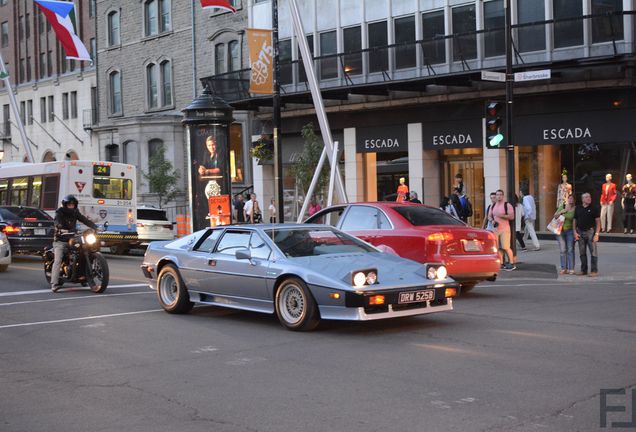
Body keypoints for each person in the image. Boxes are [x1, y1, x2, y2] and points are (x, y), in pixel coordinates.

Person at [51, 195, 98, 292]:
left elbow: (84, 219)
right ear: (65, 205)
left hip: (72, 238)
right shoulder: (59, 212)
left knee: (84, 251)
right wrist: (59, 226)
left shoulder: (75, 212)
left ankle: (82, 276)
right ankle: (54, 283)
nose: (71, 206)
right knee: (58, 259)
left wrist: (94, 226)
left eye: (73, 205)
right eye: (69, 205)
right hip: (61, 240)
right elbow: (57, 221)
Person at [573, 192, 601, 276]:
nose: (589, 198)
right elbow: (574, 220)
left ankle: (594, 271)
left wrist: (597, 234)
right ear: (582, 199)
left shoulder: (594, 208)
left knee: (593, 252)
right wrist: (574, 232)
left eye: (589, 196)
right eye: (586, 197)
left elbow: (598, 222)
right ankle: (583, 270)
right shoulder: (578, 208)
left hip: (590, 232)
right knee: (582, 252)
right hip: (580, 232)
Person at [488, 189, 515, 271]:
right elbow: (489, 216)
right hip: (496, 229)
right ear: (495, 196)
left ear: (503, 196)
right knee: (499, 248)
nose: (499, 196)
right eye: (497, 195)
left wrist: (501, 215)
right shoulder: (493, 206)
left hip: (505, 229)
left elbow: (511, 217)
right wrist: (492, 220)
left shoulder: (507, 205)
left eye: (500, 195)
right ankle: (501, 263)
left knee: (506, 247)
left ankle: (511, 263)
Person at [555, 194, 576, 275]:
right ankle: (564, 268)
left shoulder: (575, 209)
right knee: (562, 250)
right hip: (560, 230)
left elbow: (575, 220)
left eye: (572, 198)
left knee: (570, 249)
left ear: (574, 200)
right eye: (569, 198)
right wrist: (561, 212)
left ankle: (571, 268)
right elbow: (555, 216)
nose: (570, 200)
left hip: (570, 231)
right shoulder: (563, 206)